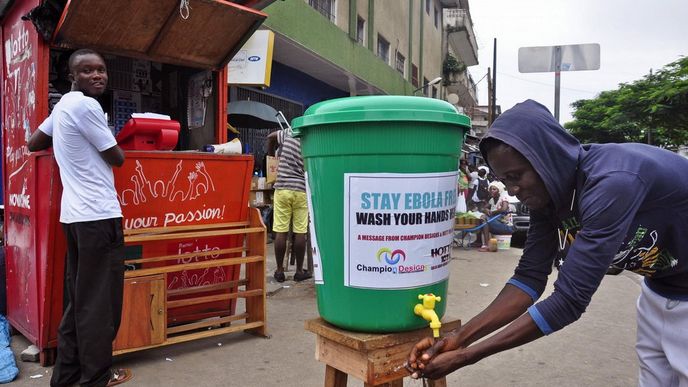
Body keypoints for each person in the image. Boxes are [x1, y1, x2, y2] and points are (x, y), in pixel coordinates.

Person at [407, 99, 688, 385]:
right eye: (506, 180)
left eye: (516, 176)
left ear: (547, 157)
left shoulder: (612, 184)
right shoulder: (548, 195)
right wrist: (458, 339)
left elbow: (568, 301)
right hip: (660, 289)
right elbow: (529, 278)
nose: (514, 191)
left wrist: (467, 356)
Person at [27, 49, 132, 387]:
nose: (97, 76)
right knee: (101, 306)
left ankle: (67, 376)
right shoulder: (86, 107)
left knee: (79, 299)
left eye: (101, 69)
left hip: (74, 219)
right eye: (87, 71)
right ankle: (96, 378)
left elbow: (34, 142)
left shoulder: (63, 108)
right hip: (99, 217)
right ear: (72, 76)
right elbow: (117, 157)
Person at [266, 127, 311, 283]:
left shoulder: (289, 132)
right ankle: (299, 271)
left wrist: (271, 154)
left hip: (283, 187)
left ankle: (279, 271)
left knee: (280, 230)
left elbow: (270, 137)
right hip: (301, 190)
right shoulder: (311, 140)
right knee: (300, 232)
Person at [476, 181, 515, 252]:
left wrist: (492, 212)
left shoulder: (503, 198)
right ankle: (479, 242)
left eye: (494, 189)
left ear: (499, 190)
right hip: (496, 223)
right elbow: (482, 208)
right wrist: (486, 210)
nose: (491, 191)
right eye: (491, 189)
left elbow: (504, 209)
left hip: (505, 226)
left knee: (485, 219)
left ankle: (487, 245)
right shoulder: (491, 200)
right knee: (481, 218)